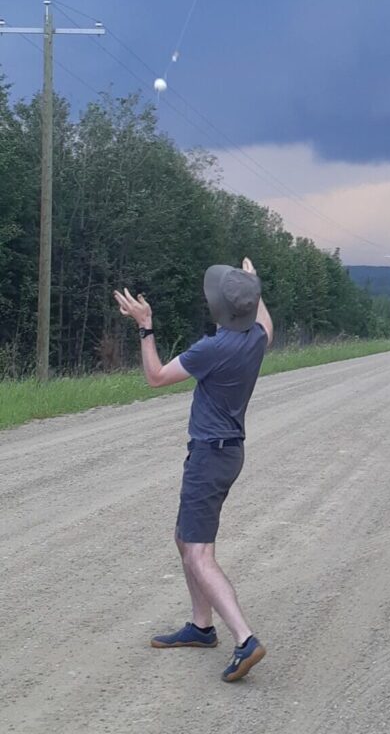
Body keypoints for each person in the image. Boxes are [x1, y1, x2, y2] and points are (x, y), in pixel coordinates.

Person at [114, 257, 274, 683]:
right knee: (185, 537)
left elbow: (156, 376)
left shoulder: (213, 349)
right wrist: (253, 284)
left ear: (219, 308)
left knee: (199, 553)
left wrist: (145, 326)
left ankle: (244, 638)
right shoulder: (256, 338)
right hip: (229, 452)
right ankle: (201, 627)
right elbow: (265, 320)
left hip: (208, 455)